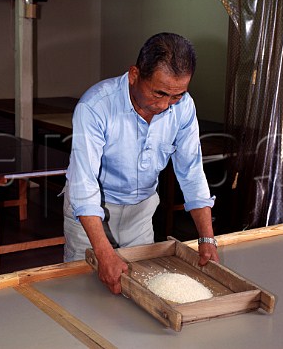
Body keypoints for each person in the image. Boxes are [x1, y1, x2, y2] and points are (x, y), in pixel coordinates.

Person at [63, 32, 219, 294]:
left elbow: (191, 171)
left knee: (140, 291)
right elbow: (84, 183)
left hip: (141, 215)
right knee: (84, 294)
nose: (165, 105)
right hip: (92, 214)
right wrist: (103, 252)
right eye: (159, 93)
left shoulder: (183, 108)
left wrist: (207, 238)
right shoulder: (96, 106)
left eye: (176, 96)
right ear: (135, 75)